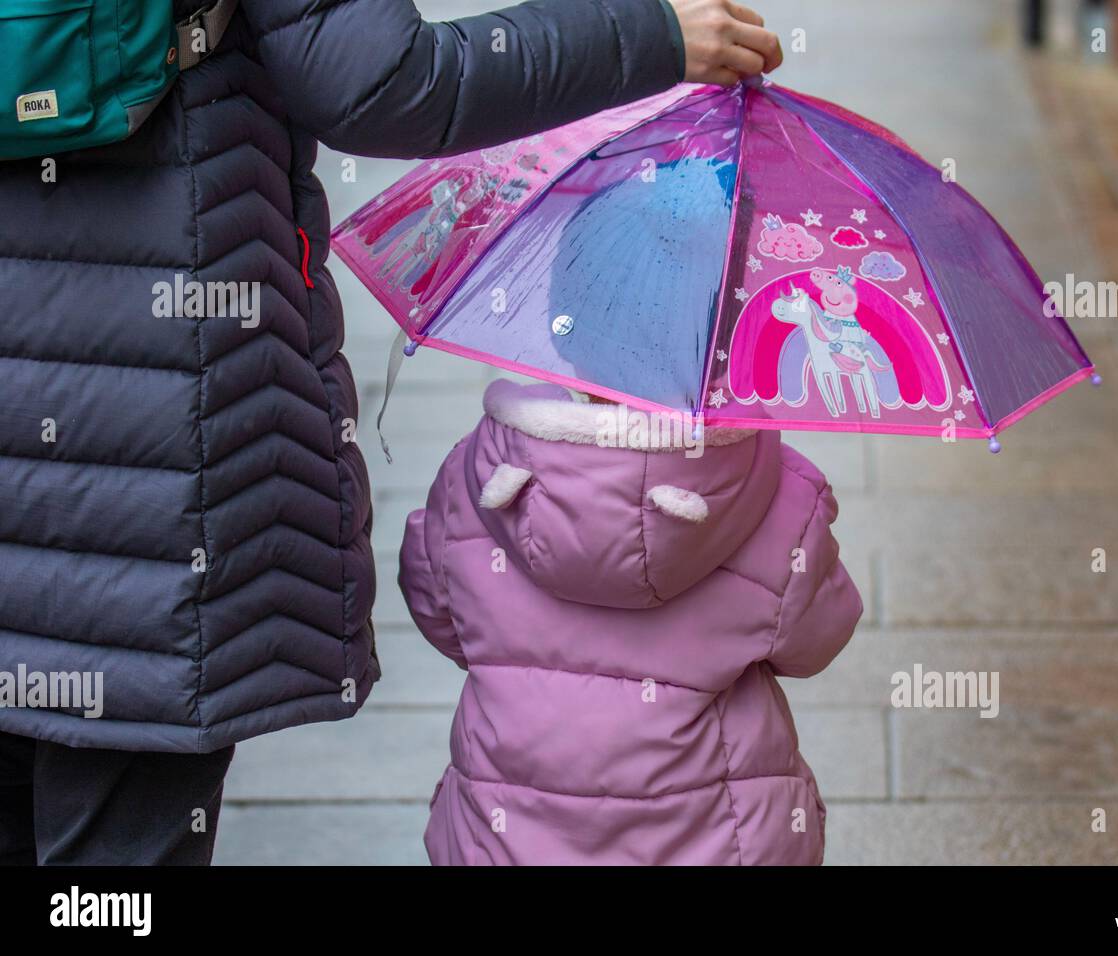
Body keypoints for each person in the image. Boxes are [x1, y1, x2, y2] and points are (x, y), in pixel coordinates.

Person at [0, 0, 782, 866]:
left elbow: (442, 584)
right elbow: (380, 80)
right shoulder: (779, 504)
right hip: (142, 421)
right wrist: (651, 34)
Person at [399, 380, 862, 864]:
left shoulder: (475, 474)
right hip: (719, 837)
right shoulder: (780, 494)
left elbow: (438, 611)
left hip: (505, 836)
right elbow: (817, 641)